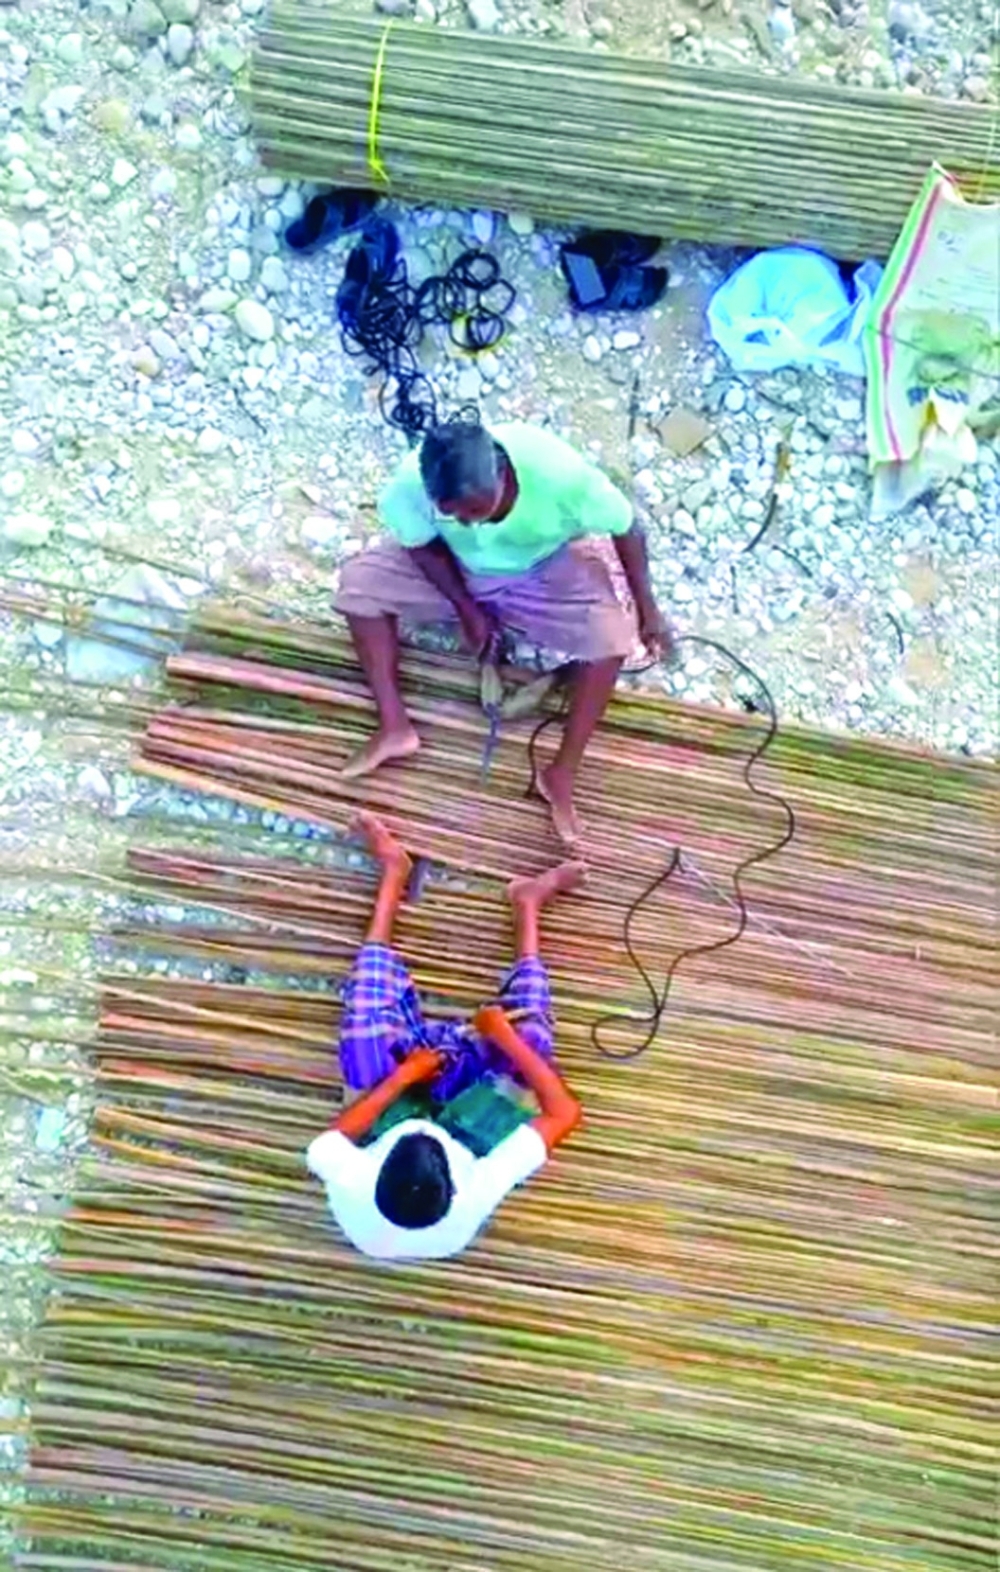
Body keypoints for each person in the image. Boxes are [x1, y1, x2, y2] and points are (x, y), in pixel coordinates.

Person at [334, 416, 673, 846]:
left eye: (478, 511)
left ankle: (560, 774)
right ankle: (395, 727)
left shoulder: (560, 478)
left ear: (502, 472)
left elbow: (628, 528)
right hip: (458, 571)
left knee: (610, 643)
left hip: (541, 571)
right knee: (359, 587)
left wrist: (649, 612)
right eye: (453, 514)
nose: (471, 525)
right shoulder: (410, 486)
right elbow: (421, 547)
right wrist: (467, 607)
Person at [306, 811, 584, 1261]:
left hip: (389, 1114)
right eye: (428, 1137)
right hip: (469, 1136)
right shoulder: (474, 1195)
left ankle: (395, 873)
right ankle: (527, 904)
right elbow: (564, 1112)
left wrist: (405, 1077)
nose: (424, 1129)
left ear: (376, 1166)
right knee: (530, 1041)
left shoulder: (347, 1176)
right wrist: (502, 1037)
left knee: (362, 1030)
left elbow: (336, 1137)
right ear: (454, 1184)